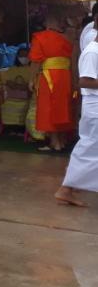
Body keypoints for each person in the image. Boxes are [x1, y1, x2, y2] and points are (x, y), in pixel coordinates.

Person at [56, 34, 98, 207]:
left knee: (90, 150)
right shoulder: (93, 52)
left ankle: (69, 187)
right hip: (95, 108)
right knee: (89, 149)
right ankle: (66, 189)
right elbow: (85, 81)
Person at [30, 15, 75, 152]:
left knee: (49, 108)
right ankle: (61, 140)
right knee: (63, 107)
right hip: (65, 76)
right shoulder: (68, 38)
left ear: (47, 23)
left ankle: (55, 142)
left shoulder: (41, 37)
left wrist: (32, 79)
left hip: (49, 76)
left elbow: (36, 61)